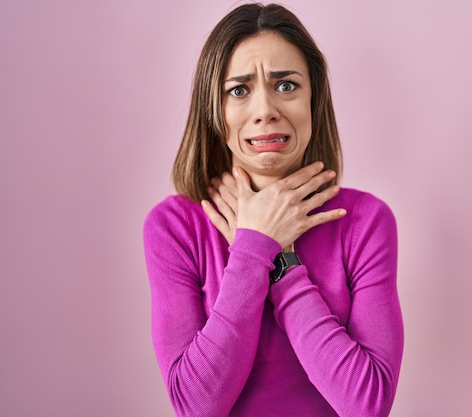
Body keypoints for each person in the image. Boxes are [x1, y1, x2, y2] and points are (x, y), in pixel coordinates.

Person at [143, 3, 403, 416]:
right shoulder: (174, 226)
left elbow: (367, 405)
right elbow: (195, 407)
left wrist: (279, 258)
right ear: (214, 110)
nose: (265, 110)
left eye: (286, 86)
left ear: (313, 99)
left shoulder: (365, 222)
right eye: (239, 90)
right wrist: (252, 247)